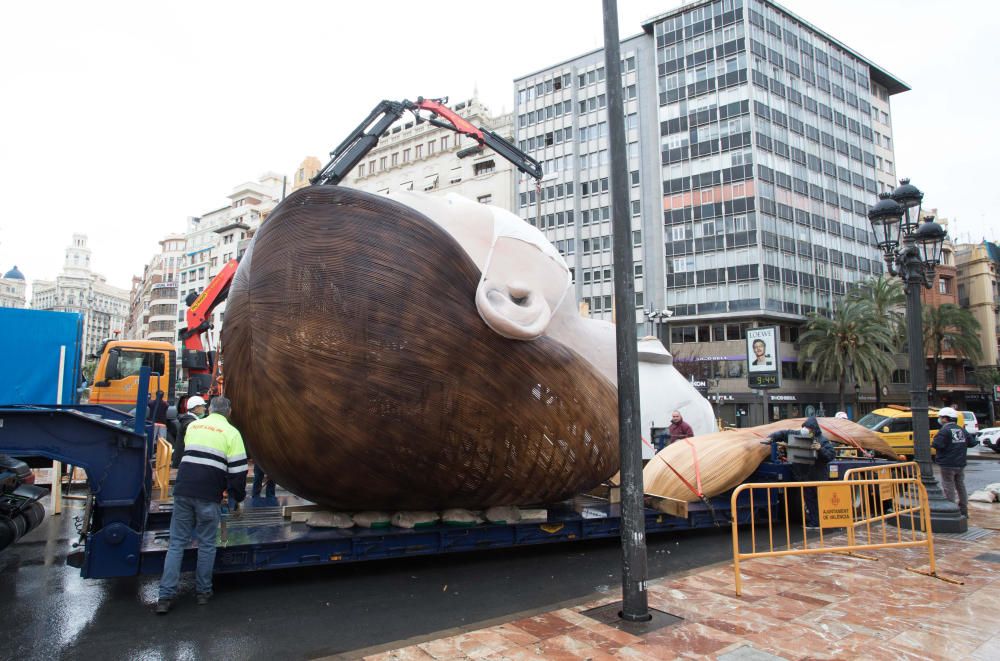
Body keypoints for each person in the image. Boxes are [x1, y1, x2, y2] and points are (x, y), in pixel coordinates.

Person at [156, 396, 247, 614]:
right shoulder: (232, 433)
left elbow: (190, 457)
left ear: (209, 409)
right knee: (206, 543)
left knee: (176, 543)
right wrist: (236, 499)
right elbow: (238, 472)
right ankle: (203, 593)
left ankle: (165, 597)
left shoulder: (194, 426)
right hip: (208, 494)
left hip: (184, 490)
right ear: (229, 412)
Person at [768, 416, 835, 527]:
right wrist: (771, 438)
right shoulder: (799, 435)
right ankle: (814, 522)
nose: (806, 430)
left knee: (820, 500)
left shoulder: (822, 440)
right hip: (806, 476)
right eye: (805, 427)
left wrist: (820, 449)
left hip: (818, 477)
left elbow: (830, 456)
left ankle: (823, 521)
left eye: (808, 428)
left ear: (814, 429)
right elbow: (784, 434)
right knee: (809, 501)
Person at [933, 407, 976, 518]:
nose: (939, 419)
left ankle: (951, 509)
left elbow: (937, 445)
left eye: (941, 417)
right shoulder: (961, 429)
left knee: (948, 487)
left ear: (945, 419)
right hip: (960, 463)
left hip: (947, 463)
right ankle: (963, 509)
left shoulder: (944, 431)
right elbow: (972, 442)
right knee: (960, 486)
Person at [171, 396, 207, 469]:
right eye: (203, 406)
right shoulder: (189, 422)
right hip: (182, 463)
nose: (205, 408)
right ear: (196, 408)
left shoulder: (190, 419)